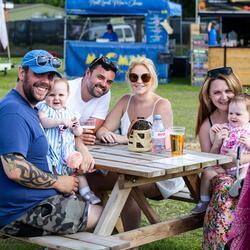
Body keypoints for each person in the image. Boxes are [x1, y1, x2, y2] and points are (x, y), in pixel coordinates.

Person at [0, 49, 102, 237]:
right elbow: (14, 169)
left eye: (49, 76)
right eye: (38, 74)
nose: (45, 81)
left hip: (36, 201)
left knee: (99, 201)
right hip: (22, 211)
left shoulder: (29, 108)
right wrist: (58, 182)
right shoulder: (14, 112)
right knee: (104, 215)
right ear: (22, 73)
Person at [95, 57, 185, 222]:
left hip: (160, 175)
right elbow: (103, 129)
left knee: (126, 183)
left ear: (152, 79)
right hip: (129, 167)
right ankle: (97, 227)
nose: (139, 81)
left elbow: (162, 145)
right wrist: (104, 134)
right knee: (90, 179)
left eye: (145, 77)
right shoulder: (125, 101)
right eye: (134, 77)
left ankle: (129, 242)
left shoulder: (162, 104)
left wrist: (123, 139)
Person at [195, 66, 250, 249]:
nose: (223, 96)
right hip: (219, 176)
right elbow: (206, 163)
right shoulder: (207, 125)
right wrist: (217, 142)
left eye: (228, 91)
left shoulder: (247, 119)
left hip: (243, 171)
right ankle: (220, 244)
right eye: (217, 92)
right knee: (226, 188)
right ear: (208, 96)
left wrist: (240, 160)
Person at [37, 78, 101, 204]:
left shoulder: (70, 113)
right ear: (45, 95)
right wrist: (60, 121)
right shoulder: (44, 109)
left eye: (61, 95)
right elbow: (44, 122)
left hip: (68, 152)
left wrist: (77, 127)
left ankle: (86, 192)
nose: (56, 98)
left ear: (67, 96)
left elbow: (78, 133)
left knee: (77, 172)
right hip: (52, 152)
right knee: (58, 175)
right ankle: (68, 195)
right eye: (51, 95)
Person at [192, 94, 250, 214]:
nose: (233, 116)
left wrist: (249, 143)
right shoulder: (225, 128)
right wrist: (216, 136)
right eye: (231, 113)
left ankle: (240, 183)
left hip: (243, 167)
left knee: (247, 170)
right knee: (207, 171)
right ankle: (203, 201)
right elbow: (215, 149)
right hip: (224, 168)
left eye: (238, 114)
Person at [66, 56, 119, 145]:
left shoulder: (105, 94)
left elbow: (90, 131)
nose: (104, 84)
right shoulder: (66, 90)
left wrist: (77, 136)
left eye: (109, 82)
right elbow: (50, 126)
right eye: (100, 77)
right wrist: (74, 138)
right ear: (88, 73)